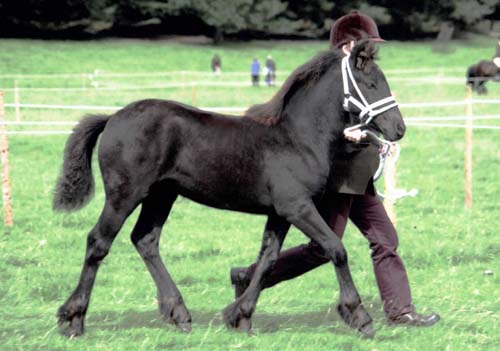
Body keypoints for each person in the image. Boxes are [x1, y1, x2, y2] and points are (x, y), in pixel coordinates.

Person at [230, 11, 440, 327]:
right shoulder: (329, 82)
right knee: (320, 250)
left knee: (385, 239)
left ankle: (401, 311)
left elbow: (374, 112)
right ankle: (249, 276)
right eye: (366, 43)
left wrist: (376, 137)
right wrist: (345, 132)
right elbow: (314, 127)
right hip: (337, 180)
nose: (371, 50)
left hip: (360, 177)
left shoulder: (362, 74)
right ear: (348, 46)